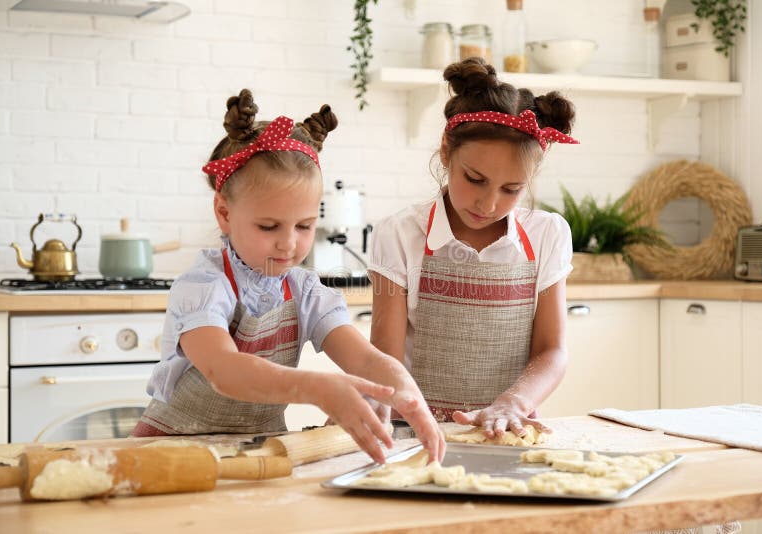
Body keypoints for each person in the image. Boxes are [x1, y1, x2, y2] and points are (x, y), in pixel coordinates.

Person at [131, 89, 445, 464]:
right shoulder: (204, 286)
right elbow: (224, 371)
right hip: (171, 452)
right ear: (224, 213)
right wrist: (317, 388)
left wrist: (404, 395)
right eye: (269, 226)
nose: (289, 244)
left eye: (305, 225)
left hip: (258, 454)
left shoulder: (306, 291)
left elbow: (365, 360)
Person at [368, 58, 578, 440]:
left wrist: (513, 403)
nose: (489, 203)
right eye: (475, 179)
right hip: (412, 432)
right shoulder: (399, 234)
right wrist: (371, 404)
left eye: (511, 189)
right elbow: (385, 358)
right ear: (447, 150)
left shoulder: (548, 235)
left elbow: (552, 351)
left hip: (506, 430)